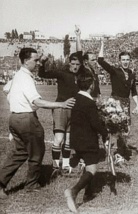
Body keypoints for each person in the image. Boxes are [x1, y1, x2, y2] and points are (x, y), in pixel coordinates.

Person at [0, 48, 75, 199]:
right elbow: (37, 101)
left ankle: (1, 183)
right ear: (26, 61)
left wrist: (15, 102)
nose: (37, 63)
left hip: (15, 118)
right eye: (35, 60)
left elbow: (6, 89)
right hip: (26, 119)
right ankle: (32, 185)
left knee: (20, 152)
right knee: (37, 152)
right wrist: (61, 104)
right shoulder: (26, 78)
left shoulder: (18, 76)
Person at [64, 72, 109, 213]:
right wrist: (105, 132)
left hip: (76, 139)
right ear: (91, 85)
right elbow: (95, 123)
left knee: (88, 164)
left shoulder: (75, 99)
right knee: (92, 169)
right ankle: (73, 191)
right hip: (88, 140)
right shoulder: (89, 103)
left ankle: (89, 192)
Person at [38, 43, 81, 174]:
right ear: (69, 63)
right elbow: (43, 74)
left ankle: (66, 165)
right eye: (73, 64)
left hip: (73, 110)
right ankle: (55, 166)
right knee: (59, 139)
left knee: (68, 140)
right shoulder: (62, 73)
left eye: (77, 64)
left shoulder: (80, 76)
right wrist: (42, 62)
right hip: (60, 108)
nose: (75, 66)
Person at [97, 40, 138, 161]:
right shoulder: (115, 71)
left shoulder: (131, 73)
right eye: (123, 60)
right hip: (115, 102)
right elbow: (100, 61)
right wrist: (102, 45)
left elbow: (134, 91)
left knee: (126, 129)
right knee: (112, 128)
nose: (126, 62)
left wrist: (137, 105)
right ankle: (109, 152)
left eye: (127, 60)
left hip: (126, 103)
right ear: (120, 61)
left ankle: (119, 154)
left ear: (130, 61)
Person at [74, 26, 101, 101]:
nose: (95, 62)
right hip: (84, 100)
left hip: (94, 99)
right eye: (92, 60)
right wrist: (78, 36)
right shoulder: (82, 69)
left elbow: (96, 86)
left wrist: (99, 95)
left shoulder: (93, 71)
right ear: (86, 61)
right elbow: (79, 53)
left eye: (95, 59)